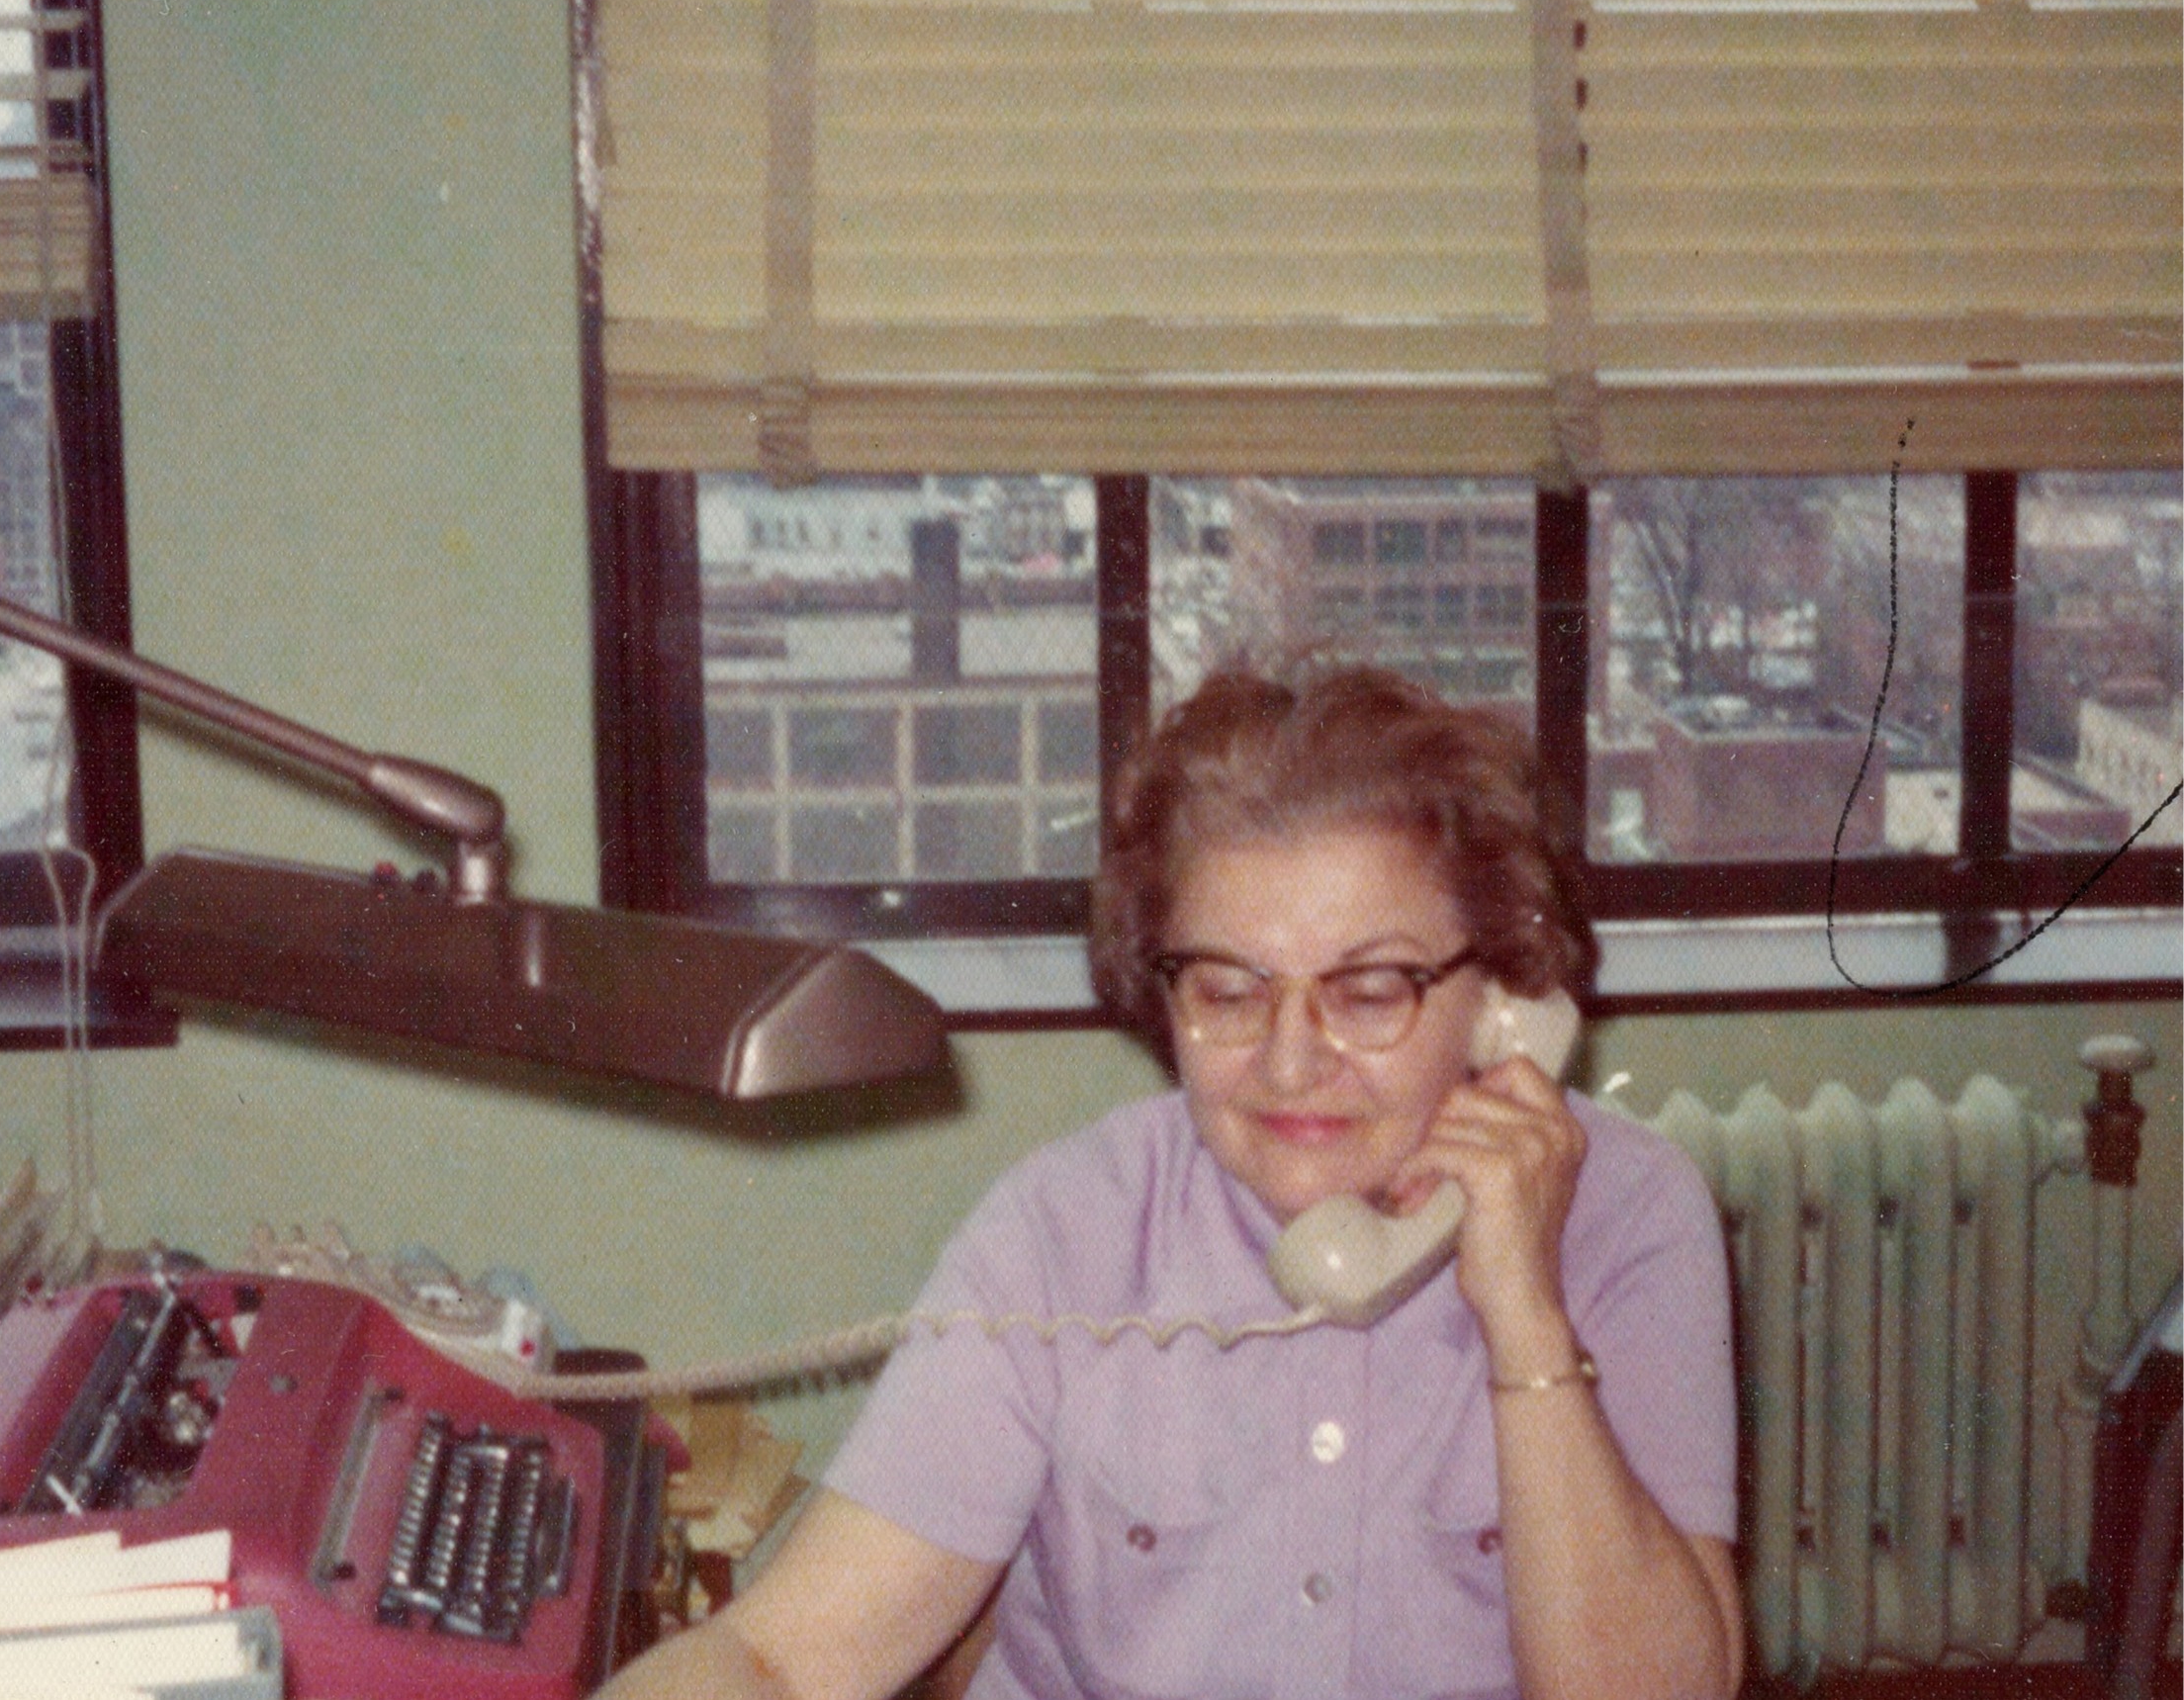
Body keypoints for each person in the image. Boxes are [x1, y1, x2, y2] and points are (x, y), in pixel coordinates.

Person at [601, 665, 1745, 1700]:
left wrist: (1526, 1315)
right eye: (1228, 991)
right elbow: (779, 1657)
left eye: (1369, 992)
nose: (1290, 1062)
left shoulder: (1631, 1215)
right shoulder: (1065, 1232)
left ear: (1503, 998)